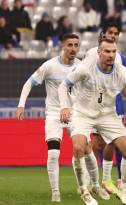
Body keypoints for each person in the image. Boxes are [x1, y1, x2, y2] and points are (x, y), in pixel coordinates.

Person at [58, 38, 126, 205]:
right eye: (107, 51)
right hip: (82, 113)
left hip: (107, 115)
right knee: (79, 147)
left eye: (113, 52)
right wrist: (65, 107)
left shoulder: (121, 71)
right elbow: (63, 86)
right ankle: (85, 192)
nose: (111, 55)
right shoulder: (86, 68)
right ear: (99, 52)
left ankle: (123, 188)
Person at [16, 34, 108, 203]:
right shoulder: (49, 66)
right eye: (70, 45)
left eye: (76, 45)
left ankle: (94, 185)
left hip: (76, 114)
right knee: (53, 153)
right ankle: (55, 192)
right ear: (62, 46)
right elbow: (29, 83)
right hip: (53, 114)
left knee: (87, 150)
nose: (74, 48)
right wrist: (21, 105)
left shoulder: (82, 66)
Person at [84, 22, 126, 197]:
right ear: (103, 34)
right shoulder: (92, 54)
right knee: (98, 144)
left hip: (116, 105)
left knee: (117, 143)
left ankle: (119, 180)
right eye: (110, 32)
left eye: (116, 33)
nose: (113, 35)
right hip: (96, 106)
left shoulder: (122, 59)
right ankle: (92, 180)